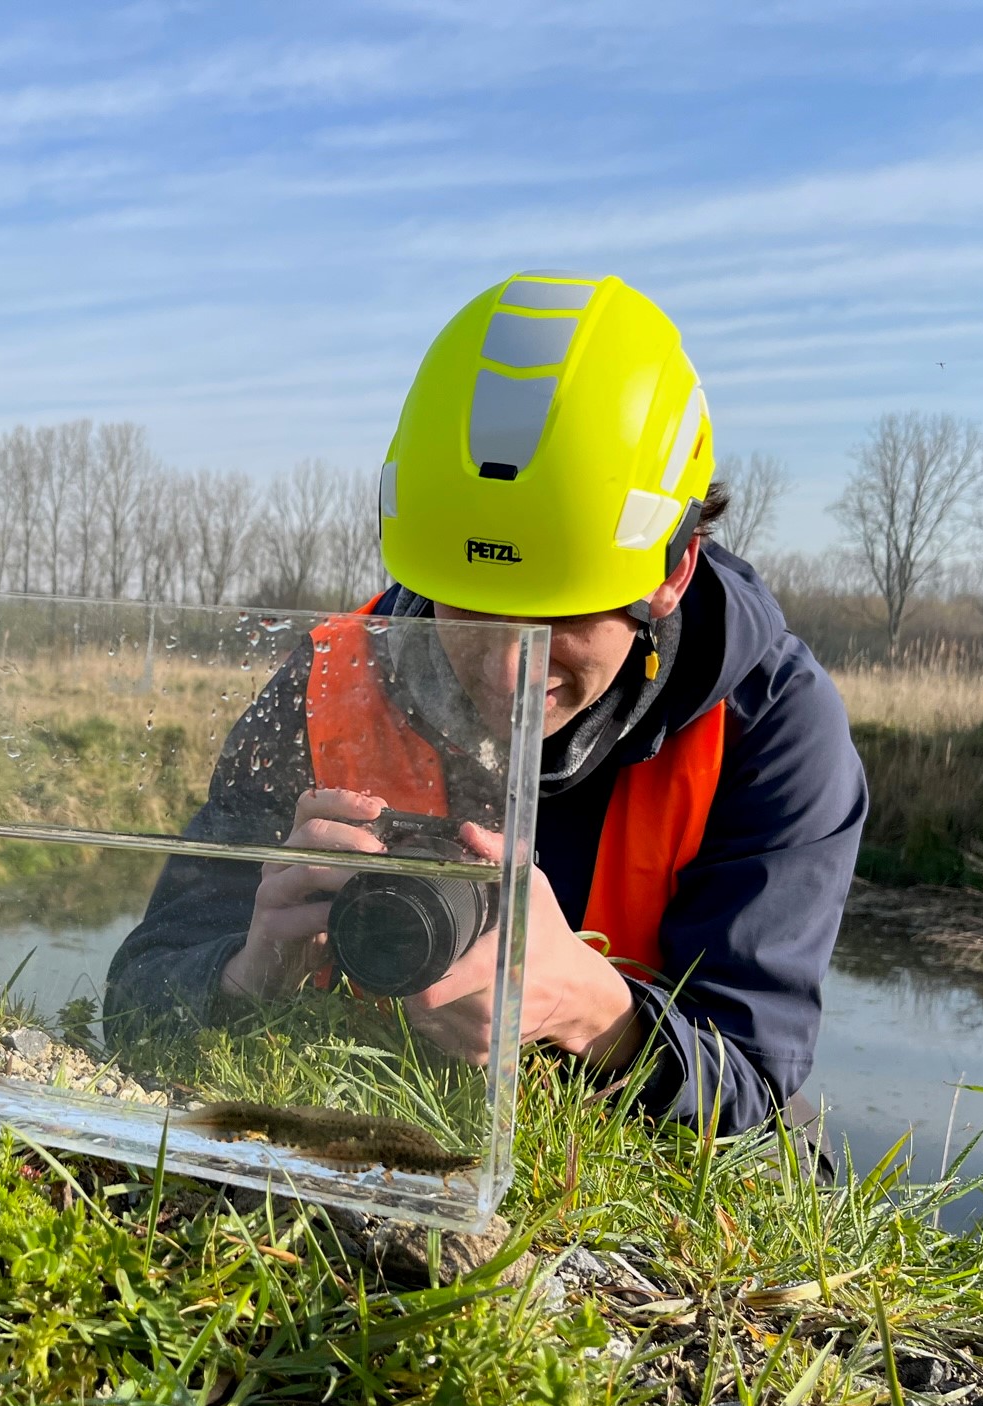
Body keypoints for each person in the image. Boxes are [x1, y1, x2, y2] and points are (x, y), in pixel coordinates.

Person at [106, 271, 866, 1137]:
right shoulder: (324, 690)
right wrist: (247, 971)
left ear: (671, 572)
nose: (508, 672)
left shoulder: (772, 731)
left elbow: (758, 1089)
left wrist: (598, 1017)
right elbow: (135, 995)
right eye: (468, 607)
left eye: (559, 615)